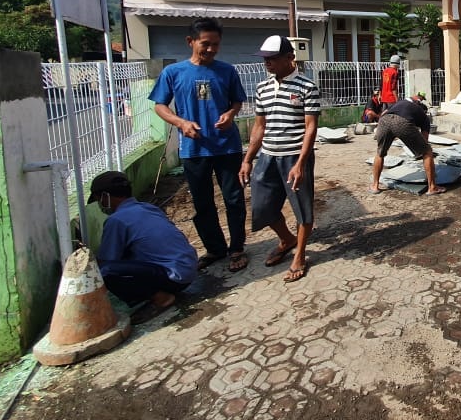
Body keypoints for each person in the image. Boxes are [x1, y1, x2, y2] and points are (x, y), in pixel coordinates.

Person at [149, 18, 250, 273]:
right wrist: (181, 122)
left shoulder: (227, 71)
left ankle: (237, 248)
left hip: (227, 147)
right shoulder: (173, 73)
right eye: (206, 44)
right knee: (203, 203)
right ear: (190, 42)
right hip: (193, 150)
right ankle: (215, 248)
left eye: (216, 45)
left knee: (234, 199)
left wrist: (231, 114)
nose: (211, 49)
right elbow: (159, 106)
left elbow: (237, 101)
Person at [239, 36, 320, 283]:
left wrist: (300, 163)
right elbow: (259, 127)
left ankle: (300, 255)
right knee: (263, 207)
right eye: (265, 59)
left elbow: (311, 128)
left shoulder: (307, 87)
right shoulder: (263, 88)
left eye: (273, 58)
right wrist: (248, 159)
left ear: (290, 58)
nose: (268, 63)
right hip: (268, 156)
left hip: (295, 156)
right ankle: (287, 239)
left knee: (302, 209)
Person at [90, 171, 197, 315]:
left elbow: (108, 260)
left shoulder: (116, 220)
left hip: (173, 276)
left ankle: (161, 298)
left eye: (99, 200)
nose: (100, 205)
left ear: (105, 196)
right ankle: (159, 291)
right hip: (188, 269)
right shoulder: (148, 207)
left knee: (105, 271)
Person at [370, 92, 445, 195]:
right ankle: (432, 187)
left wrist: (379, 134)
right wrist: (422, 152)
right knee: (427, 152)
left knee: (380, 153)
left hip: (384, 121)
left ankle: (375, 186)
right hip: (402, 121)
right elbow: (424, 140)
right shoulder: (424, 117)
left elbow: (383, 114)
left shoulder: (401, 103)